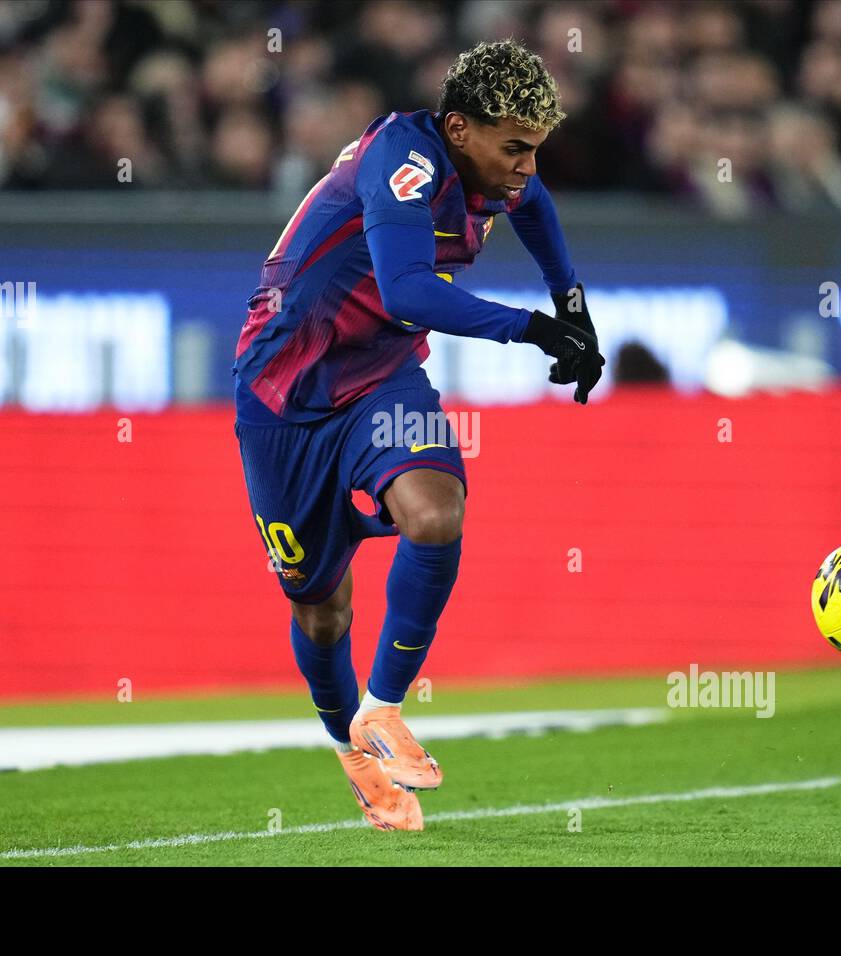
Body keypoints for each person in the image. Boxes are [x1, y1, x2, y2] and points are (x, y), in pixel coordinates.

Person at [231, 39, 604, 831]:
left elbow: (533, 208)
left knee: (436, 514)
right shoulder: (405, 162)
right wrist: (535, 328)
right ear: (460, 128)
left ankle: (384, 709)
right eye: (515, 148)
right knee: (321, 610)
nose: (526, 168)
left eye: (536, 149)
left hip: (381, 380)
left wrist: (570, 299)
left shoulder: (493, 176)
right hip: (285, 390)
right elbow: (407, 292)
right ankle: (352, 752)